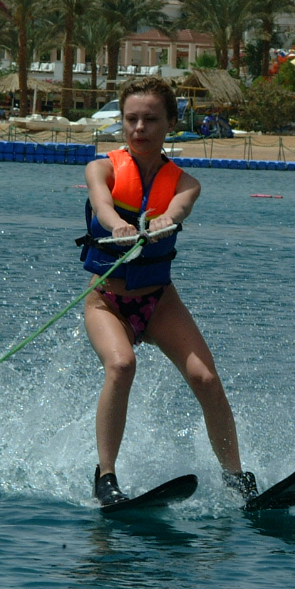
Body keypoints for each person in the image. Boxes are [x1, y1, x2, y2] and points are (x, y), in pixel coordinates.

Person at [76, 77, 254, 506]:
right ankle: (106, 478)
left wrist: (165, 221)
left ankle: (237, 480)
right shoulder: (100, 168)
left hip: (158, 300)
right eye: (131, 119)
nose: (139, 127)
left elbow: (179, 208)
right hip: (108, 301)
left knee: (206, 379)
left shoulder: (185, 182)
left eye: (150, 119)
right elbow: (101, 203)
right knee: (122, 366)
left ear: (171, 123)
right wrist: (114, 223)